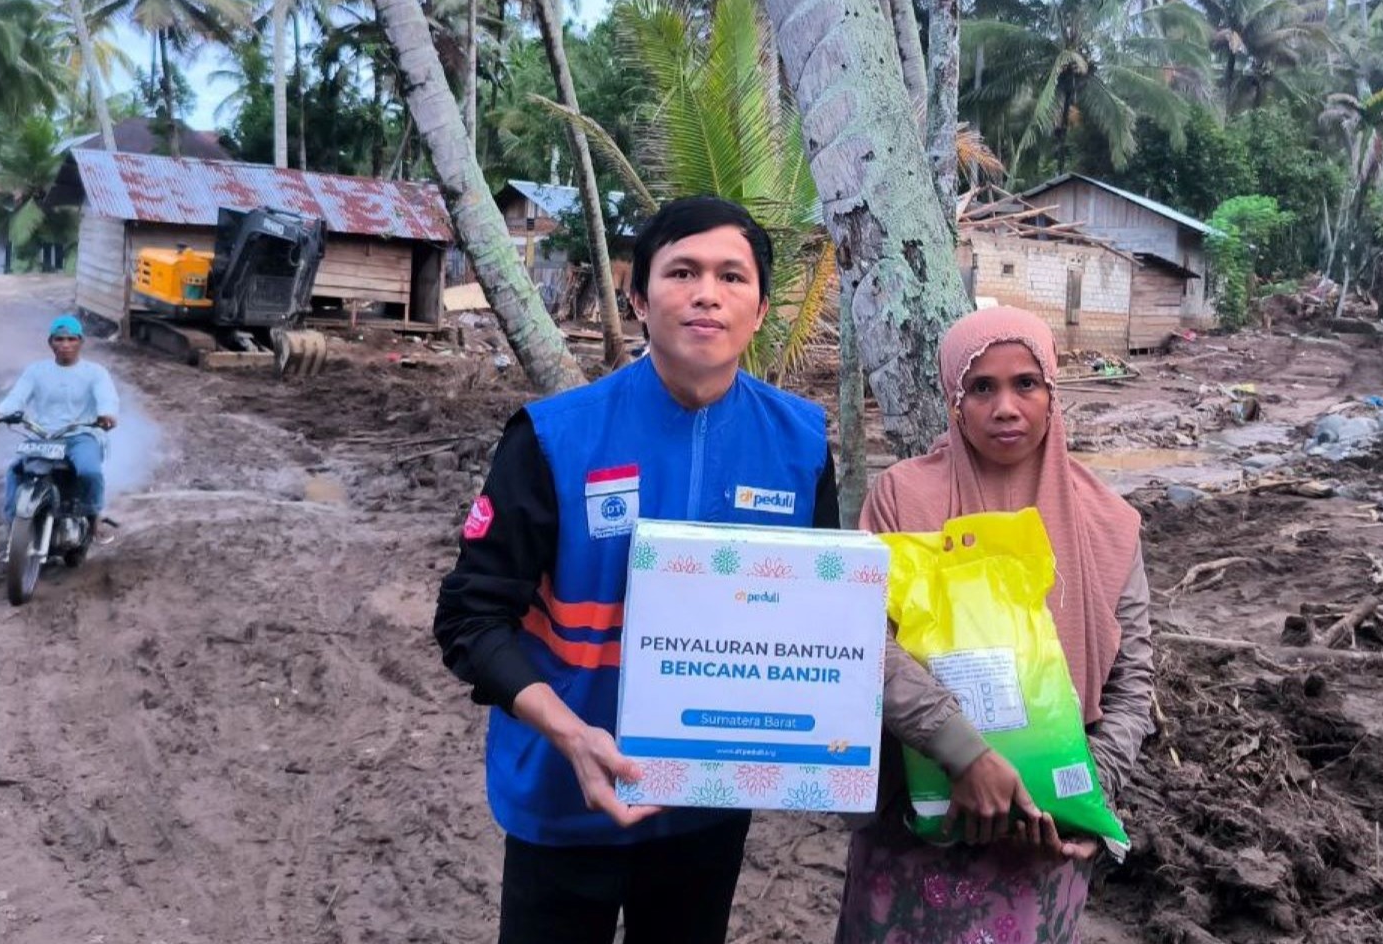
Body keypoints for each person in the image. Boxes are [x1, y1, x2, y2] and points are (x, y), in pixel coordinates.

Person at [434, 197, 841, 944]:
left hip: (705, 810)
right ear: (637, 296)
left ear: (759, 307)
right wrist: (569, 734)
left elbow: (812, 624)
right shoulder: (556, 439)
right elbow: (470, 618)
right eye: (682, 271)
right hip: (565, 798)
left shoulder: (802, 446)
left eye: (731, 276)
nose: (706, 293)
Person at [836, 305, 1155, 944]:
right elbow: (864, 636)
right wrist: (965, 755)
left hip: (1045, 837)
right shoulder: (903, 498)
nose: (1005, 406)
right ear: (954, 400)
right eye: (981, 387)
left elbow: (1133, 678)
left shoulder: (1108, 522)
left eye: (1025, 384)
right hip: (917, 814)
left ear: (1052, 393)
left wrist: (1086, 790)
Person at [0, 315, 120, 548]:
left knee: (89, 472)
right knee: (15, 471)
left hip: (81, 435)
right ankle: (12, 529)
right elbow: (17, 398)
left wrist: (106, 415)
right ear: (50, 343)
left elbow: (107, 398)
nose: (65, 344)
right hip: (43, 436)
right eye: (59, 339)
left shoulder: (95, 373)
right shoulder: (36, 371)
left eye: (71, 339)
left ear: (80, 342)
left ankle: (93, 518)